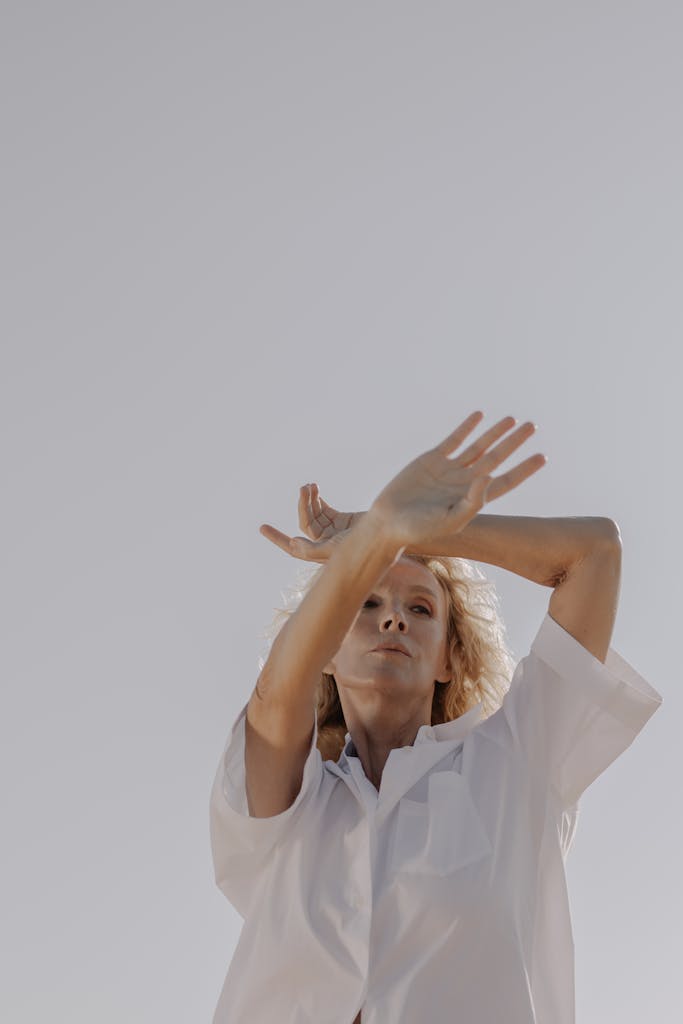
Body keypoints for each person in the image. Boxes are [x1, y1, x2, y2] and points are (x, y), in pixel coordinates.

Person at [209, 412, 662, 1024]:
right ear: (328, 650)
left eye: (421, 608)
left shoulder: (514, 765)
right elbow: (274, 699)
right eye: (367, 604)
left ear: (451, 655)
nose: (393, 619)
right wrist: (370, 543)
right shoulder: (291, 809)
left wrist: (416, 532)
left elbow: (595, 553)